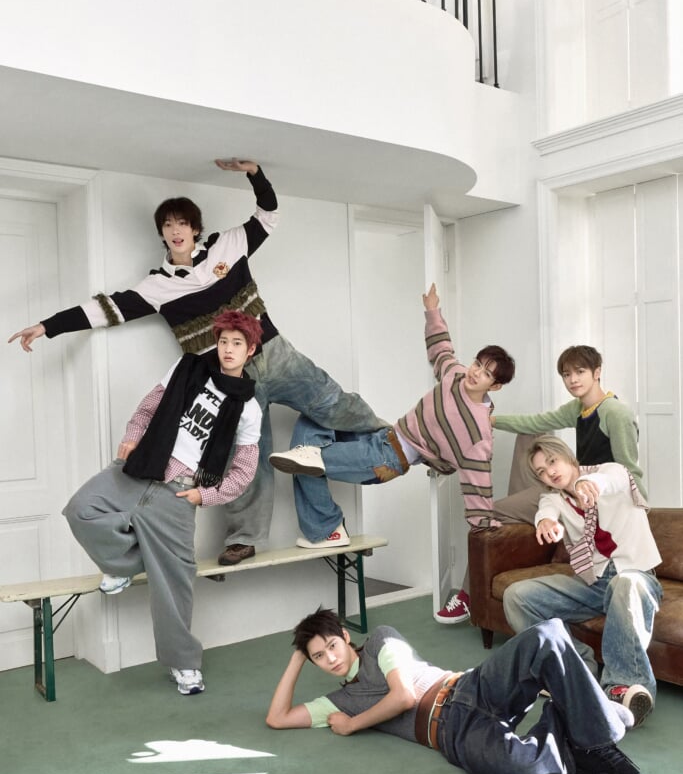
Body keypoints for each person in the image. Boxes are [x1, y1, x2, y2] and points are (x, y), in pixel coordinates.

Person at [9, 158, 384, 565]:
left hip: (275, 354)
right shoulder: (157, 287)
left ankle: (392, 438)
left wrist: (255, 174)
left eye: (182, 223)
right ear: (162, 234)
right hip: (228, 382)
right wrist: (47, 327)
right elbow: (103, 310)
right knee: (248, 458)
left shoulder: (227, 247)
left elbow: (268, 216)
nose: (176, 231)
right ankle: (244, 538)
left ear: (195, 229)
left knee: (333, 403)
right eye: (168, 225)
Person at [63, 310, 263, 696]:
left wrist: (205, 495)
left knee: (175, 583)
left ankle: (184, 664)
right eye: (223, 341)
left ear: (250, 350)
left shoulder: (249, 409)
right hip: (141, 468)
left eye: (237, 343)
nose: (228, 349)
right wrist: (131, 437)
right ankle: (123, 565)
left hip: (180, 491)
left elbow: (243, 471)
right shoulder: (187, 368)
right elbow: (148, 408)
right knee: (81, 509)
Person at [265, 607, 644, 774]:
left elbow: (404, 697)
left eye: (331, 645)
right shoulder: (338, 700)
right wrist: (298, 655)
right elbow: (278, 718)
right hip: (452, 734)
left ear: (346, 637)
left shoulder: (381, 641)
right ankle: (578, 716)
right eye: (319, 657)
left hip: (469, 687)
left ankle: (597, 741)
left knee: (549, 634)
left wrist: (352, 724)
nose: (330, 658)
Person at [268, 283, 515, 552]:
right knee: (312, 420)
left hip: (386, 459)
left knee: (302, 460)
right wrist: (432, 311)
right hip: (383, 434)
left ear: (495, 386)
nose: (476, 373)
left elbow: (478, 481)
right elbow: (441, 351)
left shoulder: (477, 433)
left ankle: (326, 528)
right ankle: (327, 527)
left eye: (486, 374)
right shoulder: (455, 375)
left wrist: (484, 523)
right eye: (478, 363)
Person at [439, 344, 645, 625]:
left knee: (489, 513)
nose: (573, 380)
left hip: (592, 498)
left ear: (597, 373)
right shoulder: (579, 408)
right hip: (570, 487)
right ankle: (524, 520)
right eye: (567, 374)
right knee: (532, 433)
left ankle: (467, 596)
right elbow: (537, 421)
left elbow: (629, 472)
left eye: (580, 372)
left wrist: (636, 516)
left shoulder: (616, 413)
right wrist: (488, 420)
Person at [502, 434, 662, 727]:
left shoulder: (611, 472)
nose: (550, 472)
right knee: (516, 596)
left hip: (636, 575)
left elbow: (610, 480)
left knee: (625, 584)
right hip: (594, 584)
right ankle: (576, 666)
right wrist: (545, 521)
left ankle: (622, 688)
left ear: (567, 456)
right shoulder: (553, 498)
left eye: (553, 461)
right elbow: (547, 510)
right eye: (541, 471)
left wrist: (588, 484)